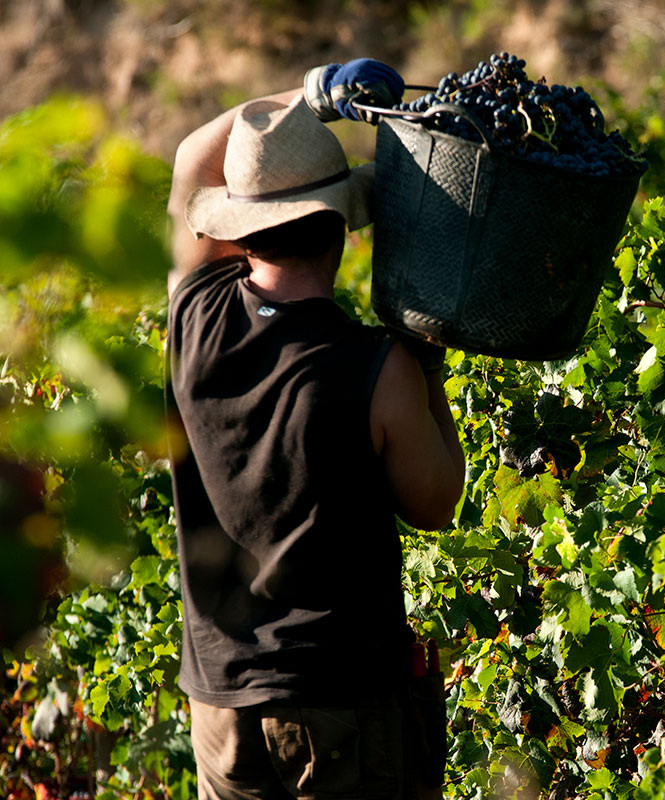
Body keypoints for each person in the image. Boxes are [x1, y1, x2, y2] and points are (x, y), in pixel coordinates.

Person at [165, 58, 466, 800]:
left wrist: (310, 95)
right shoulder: (379, 368)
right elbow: (436, 502)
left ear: (239, 229)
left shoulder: (193, 313)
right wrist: (428, 366)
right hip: (340, 703)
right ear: (343, 229)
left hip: (219, 703)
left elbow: (192, 157)